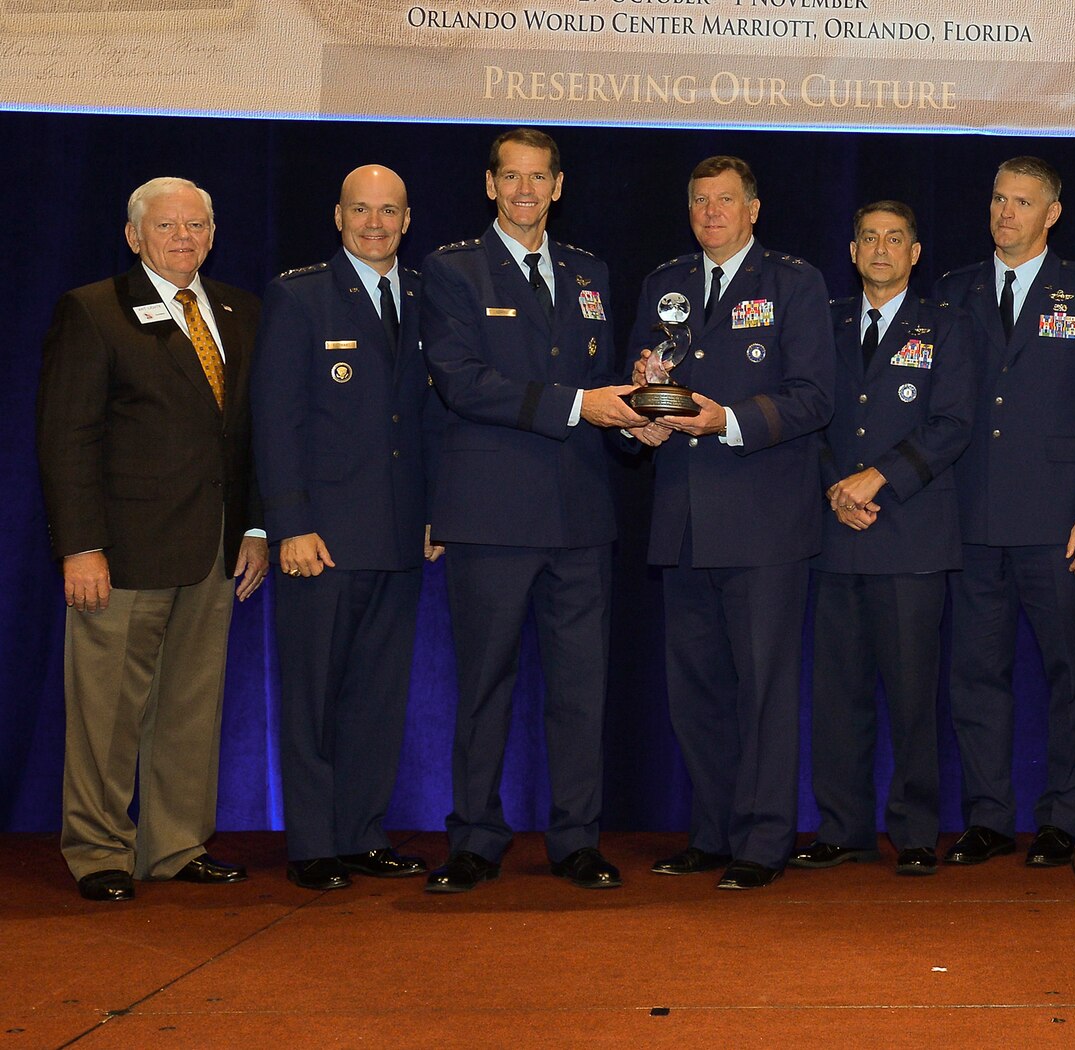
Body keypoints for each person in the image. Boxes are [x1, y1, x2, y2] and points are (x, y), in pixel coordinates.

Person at [420, 128, 644, 893]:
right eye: (510, 177)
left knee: (581, 691)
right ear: (490, 185)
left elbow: (601, 383)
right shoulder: (451, 271)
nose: (524, 191)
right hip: (490, 519)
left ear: (558, 186)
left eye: (538, 177)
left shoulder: (590, 272)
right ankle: (475, 839)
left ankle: (577, 838)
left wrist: (637, 414)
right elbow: (463, 382)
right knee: (484, 687)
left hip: (581, 518)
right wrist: (587, 404)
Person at [37, 176, 269, 901]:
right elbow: (65, 439)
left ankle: (173, 846)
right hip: (121, 555)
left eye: (196, 226)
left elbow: (252, 436)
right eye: (166, 227)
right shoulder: (92, 310)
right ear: (134, 236)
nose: (182, 239)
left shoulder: (239, 310)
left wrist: (257, 526)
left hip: (214, 549)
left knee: (191, 710)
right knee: (107, 714)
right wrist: (80, 546)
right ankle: (100, 851)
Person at [630, 156, 833, 891]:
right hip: (682, 523)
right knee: (697, 693)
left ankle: (764, 838)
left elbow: (815, 397)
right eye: (699, 201)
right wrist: (638, 426)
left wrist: (729, 421)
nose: (711, 213)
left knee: (764, 690)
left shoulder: (793, 283)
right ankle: (711, 831)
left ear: (754, 209)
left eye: (725, 201)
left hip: (764, 524)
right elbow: (644, 381)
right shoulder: (665, 284)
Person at [932, 156, 1075, 868]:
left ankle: (1063, 816)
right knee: (975, 675)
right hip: (972, 517)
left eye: (1022, 201)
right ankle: (988, 817)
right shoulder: (952, 292)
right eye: (997, 199)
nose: (1005, 212)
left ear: (1052, 213)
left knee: (1072, 674)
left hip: (1058, 522)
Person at [250, 164, 443, 891]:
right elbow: (276, 422)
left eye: (388, 211)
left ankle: (363, 834)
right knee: (312, 699)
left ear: (407, 219)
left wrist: (434, 513)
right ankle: (312, 845)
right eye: (361, 210)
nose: (374, 224)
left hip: (398, 536)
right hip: (321, 542)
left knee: (377, 698)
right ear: (338, 216)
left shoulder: (426, 298)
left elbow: (428, 421)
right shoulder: (300, 295)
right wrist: (289, 524)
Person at [789, 201, 975, 878]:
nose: (881, 249)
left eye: (895, 238)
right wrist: (838, 489)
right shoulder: (824, 323)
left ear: (915, 253)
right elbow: (804, 416)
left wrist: (878, 479)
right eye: (869, 238)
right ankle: (843, 828)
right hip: (837, 535)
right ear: (852, 248)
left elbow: (953, 424)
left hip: (912, 536)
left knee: (910, 695)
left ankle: (917, 830)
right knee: (838, 698)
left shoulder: (947, 328)